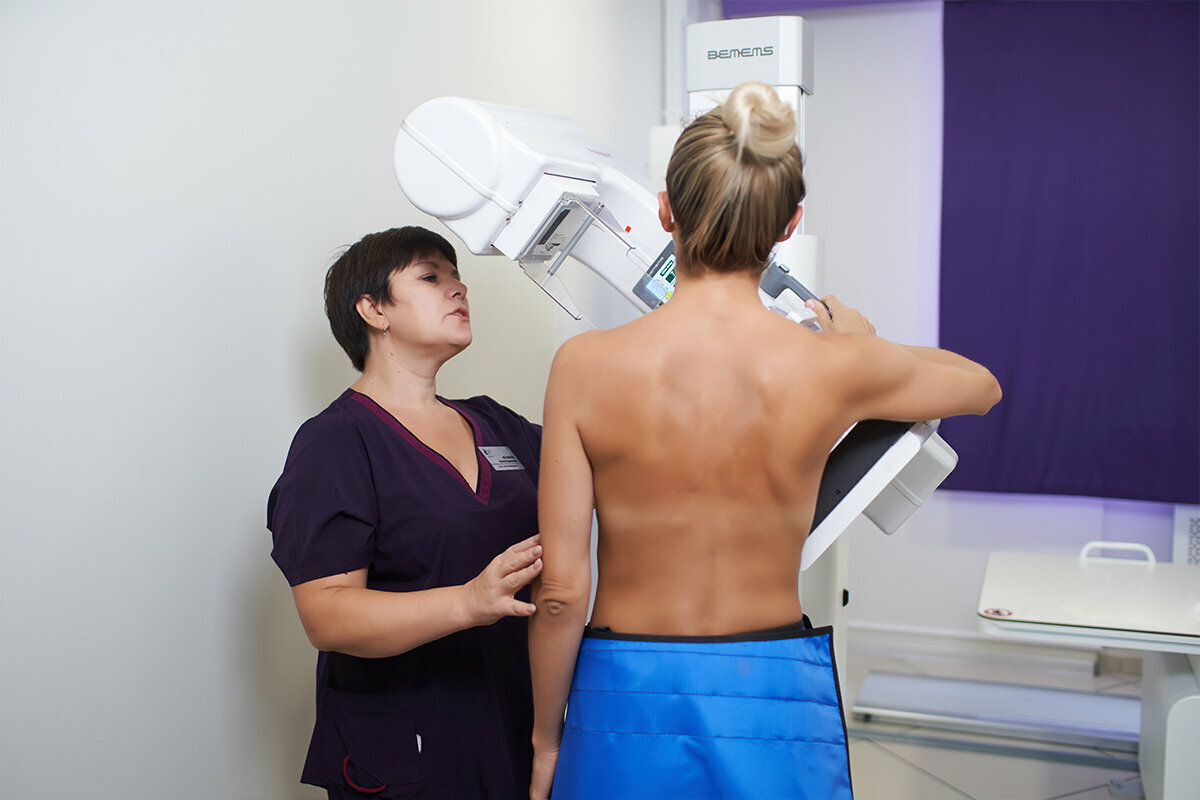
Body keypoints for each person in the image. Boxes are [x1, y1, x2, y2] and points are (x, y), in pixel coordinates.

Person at [528, 82, 1002, 799]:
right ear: (788, 225)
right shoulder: (833, 367)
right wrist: (864, 344)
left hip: (626, 693)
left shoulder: (583, 367)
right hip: (769, 690)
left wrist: (545, 740)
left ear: (665, 210)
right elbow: (980, 385)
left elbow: (563, 593)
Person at [267, 226, 544, 799]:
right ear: (373, 310)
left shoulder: (497, 424)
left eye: (457, 276)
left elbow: (603, 462)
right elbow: (327, 615)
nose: (458, 288)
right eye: (430, 276)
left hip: (511, 721)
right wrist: (467, 602)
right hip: (410, 748)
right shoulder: (337, 441)